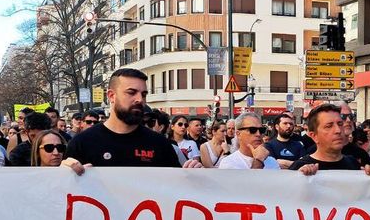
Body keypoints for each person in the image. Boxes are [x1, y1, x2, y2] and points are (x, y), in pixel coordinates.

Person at [62, 68, 200, 174]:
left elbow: (176, 190)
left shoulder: (160, 144)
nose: (140, 99)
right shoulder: (82, 143)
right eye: (131, 92)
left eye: (144, 94)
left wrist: (192, 176)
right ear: (111, 96)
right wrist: (64, 174)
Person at [218, 113, 282, 170]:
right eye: (252, 130)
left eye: (261, 130)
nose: (258, 134)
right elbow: (250, 183)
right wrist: (258, 162)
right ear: (238, 134)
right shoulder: (228, 163)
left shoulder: (272, 161)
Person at [338, 102, 370, 167]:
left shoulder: (361, 153)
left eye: (351, 116)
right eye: (343, 117)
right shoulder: (316, 151)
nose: (348, 120)